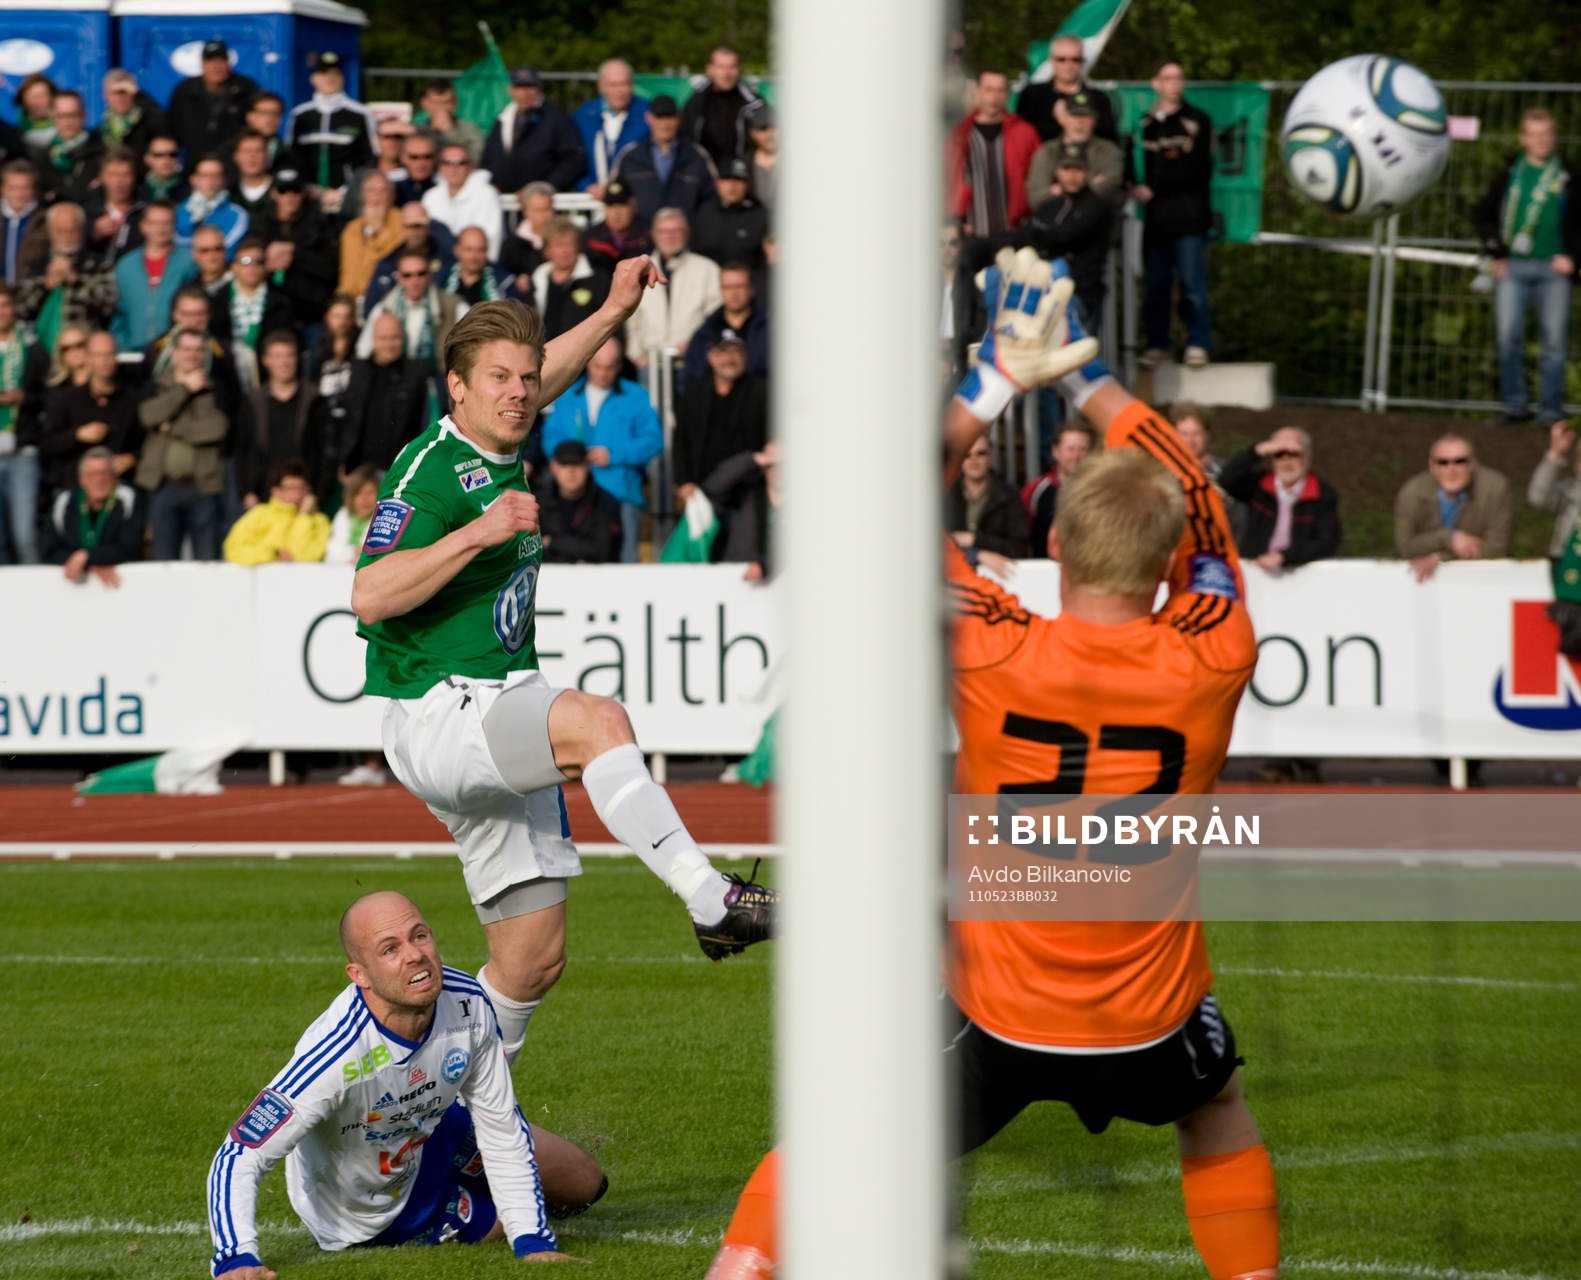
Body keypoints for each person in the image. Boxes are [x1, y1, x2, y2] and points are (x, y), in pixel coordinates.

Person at [710, 252, 1278, 1280]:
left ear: (1055, 543)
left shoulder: (997, 644)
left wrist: (1001, 377)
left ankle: (736, 1270)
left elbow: (896, 497)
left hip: (1000, 1003)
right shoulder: (1213, 650)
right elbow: (1200, 497)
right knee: (1217, 1104)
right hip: (1147, 1012)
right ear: (1160, 564)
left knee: (845, 1137)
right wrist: (1090, 376)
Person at [350, 286, 776, 1072]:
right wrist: (477, 534)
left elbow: (549, 367)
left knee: (530, 963)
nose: (519, 393)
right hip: (442, 713)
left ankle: (456, 1124)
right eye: (500, 379)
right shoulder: (429, 473)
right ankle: (710, 899)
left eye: (526, 378)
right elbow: (369, 593)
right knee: (597, 722)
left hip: (497, 709)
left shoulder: (502, 421)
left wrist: (615, 308)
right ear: (457, 387)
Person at [204, 891, 605, 1275]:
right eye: (390, 949)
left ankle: (484, 1186)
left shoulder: (468, 1003)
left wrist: (533, 1241)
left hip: (431, 1128)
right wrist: (235, 1258)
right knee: (503, 1218)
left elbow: (500, 1125)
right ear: (358, 975)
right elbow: (239, 1154)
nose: (415, 955)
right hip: (375, 1206)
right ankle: (462, 1203)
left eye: (419, 935)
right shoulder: (335, 1055)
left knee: (584, 1183)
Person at [1472, 107, 1579, 427]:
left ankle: (1550, 411)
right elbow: (1482, 214)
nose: (1540, 141)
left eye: (1546, 134)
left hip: (1554, 269)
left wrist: (1574, 257)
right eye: (1533, 134)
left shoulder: (1569, 175)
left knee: (1554, 343)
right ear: (1522, 138)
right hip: (1513, 268)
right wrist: (1496, 252)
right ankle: (1514, 405)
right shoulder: (1509, 174)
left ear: (1554, 138)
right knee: (1508, 338)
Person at [542, 335, 663, 563]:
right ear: (588, 362)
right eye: (598, 366)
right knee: (569, 555)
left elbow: (653, 441)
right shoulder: (568, 395)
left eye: (610, 367)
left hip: (620, 491)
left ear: (619, 364)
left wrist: (614, 454)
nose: (603, 373)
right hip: (574, 495)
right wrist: (572, 456)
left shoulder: (635, 396)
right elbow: (550, 438)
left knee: (624, 559)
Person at [1135, 62, 1215, 369]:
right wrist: (1135, 185)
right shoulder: (1146, 122)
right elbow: (1140, 160)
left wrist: (1153, 186)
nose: (1173, 84)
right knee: (1156, 284)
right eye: (1167, 78)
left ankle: (1197, 341)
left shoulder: (1198, 120)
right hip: (1156, 221)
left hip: (1189, 217)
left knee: (1192, 283)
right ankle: (1158, 344)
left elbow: (1195, 169)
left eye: (1178, 78)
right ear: (1155, 83)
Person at [137, 326, 233, 560]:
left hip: (202, 486)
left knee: (206, 561)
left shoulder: (217, 387)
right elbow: (147, 416)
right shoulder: (155, 385)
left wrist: (172, 428)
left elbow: (217, 428)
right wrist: (184, 390)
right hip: (163, 486)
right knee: (164, 561)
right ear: (175, 352)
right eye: (186, 349)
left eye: (198, 350)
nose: (192, 354)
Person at [672, 329, 769, 517]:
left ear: (745, 356)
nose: (730, 359)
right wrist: (683, 481)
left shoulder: (761, 393)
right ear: (711, 357)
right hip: (702, 491)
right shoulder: (695, 393)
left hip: (746, 492)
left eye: (736, 352)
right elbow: (680, 440)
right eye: (723, 352)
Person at [1219, 425, 1340, 571]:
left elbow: (1326, 543)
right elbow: (1226, 480)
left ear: (1307, 457)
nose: (1286, 461)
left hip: (1300, 574)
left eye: (1294, 454)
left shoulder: (1322, 494)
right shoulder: (1260, 485)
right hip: (1255, 571)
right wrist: (1258, 450)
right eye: (1279, 454)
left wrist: (1284, 556)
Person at [359, 247, 466, 410]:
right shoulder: (384, 308)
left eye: (420, 273)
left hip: (436, 388)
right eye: (407, 275)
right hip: (395, 388)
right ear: (399, 278)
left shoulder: (453, 306)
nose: (414, 281)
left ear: (429, 274)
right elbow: (363, 351)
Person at [1395, 434, 1511, 582]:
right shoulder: (1412, 493)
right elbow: (1406, 547)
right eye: (1442, 462)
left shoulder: (1495, 488)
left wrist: (1440, 558)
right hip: (1425, 581)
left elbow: (1496, 548)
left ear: (1473, 464)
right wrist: (1448, 537)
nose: (1451, 469)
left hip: (1481, 580)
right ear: (1431, 466)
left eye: (1460, 461)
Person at [234, 330, 331, 506]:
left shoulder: (315, 401)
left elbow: (325, 453)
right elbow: (242, 451)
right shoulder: (253, 402)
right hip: (262, 498)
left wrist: (317, 494)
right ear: (266, 360)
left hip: (304, 500)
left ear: (297, 359)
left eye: (289, 356)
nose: (284, 362)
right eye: (277, 356)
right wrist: (246, 492)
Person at [40, 328, 140, 494]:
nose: (104, 361)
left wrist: (131, 458)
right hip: (74, 488)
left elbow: (143, 441)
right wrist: (77, 435)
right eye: (98, 355)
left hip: (118, 488)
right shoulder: (66, 399)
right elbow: (47, 442)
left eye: (109, 354)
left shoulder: (130, 399)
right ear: (88, 358)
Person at [947, 70, 1041, 236]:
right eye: (989, 89)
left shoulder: (1025, 133)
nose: (994, 97)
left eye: (1000, 90)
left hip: (1014, 230)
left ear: (1007, 94)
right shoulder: (959, 135)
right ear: (978, 92)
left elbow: (1037, 178)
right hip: (970, 231)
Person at [334, 311, 431, 473]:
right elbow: (348, 421)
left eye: (395, 338)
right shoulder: (358, 371)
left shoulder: (418, 373)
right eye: (383, 338)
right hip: (360, 470)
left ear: (403, 338)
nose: (389, 344)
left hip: (402, 469)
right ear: (373, 339)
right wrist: (344, 461)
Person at [626, 207, 720, 371]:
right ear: (653, 234)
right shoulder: (639, 269)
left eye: (676, 231)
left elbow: (715, 316)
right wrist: (636, 355)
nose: (669, 237)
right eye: (663, 231)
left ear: (687, 233)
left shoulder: (707, 269)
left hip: (692, 363)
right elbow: (632, 317)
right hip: (649, 364)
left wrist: (697, 346)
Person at [40, 445, 143, 582]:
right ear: (82, 479)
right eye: (93, 474)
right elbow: (48, 548)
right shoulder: (65, 501)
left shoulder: (128, 498)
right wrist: (89, 566)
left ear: (114, 476)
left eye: (105, 473)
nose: (99, 480)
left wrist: (87, 557)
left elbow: (130, 547)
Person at [256, 169, 339, 338]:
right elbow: (243, 259)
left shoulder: (319, 224)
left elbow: (332, 267)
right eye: (283, 191)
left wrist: (294, 254)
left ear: (304, 193)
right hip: (271, 313)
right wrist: (264, 262)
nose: (290, 196)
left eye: (295, 190)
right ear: (274, 194)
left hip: (312, 313)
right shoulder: (260, 225)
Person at [283, 50, 377, 200]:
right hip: (307, 196)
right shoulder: (299, 115)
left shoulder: (361, 114)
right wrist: (307, 187)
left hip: (347, 197)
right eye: (323, 73)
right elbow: (291, 157)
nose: (329, 78)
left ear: (342, 78)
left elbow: (370, 158)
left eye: (335, 73)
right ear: (313, 79)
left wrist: (345, 191)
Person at [0, 281, 48, 564]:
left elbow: (48, 394)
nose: (2, 312)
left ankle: (39, 603)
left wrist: (25, 398)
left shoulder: (32, 347)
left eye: (6, 305)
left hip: (22, 453)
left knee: (25, 535)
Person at [16, 202, 116, 338]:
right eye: (60, 231)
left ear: (82, 230)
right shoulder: (36, 265)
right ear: (50, 231)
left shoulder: (97, 264)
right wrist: (45, 286)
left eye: (72, 231)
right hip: (44, 345)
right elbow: (21, 309)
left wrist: (76, 282)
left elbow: (108, 306)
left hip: (84, 344)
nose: (67, 237)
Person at [482, 67, 586, 196]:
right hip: (505, 202)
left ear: (539, 88)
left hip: (541, 205)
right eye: (519, 87)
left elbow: (573, 159)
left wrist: (545, 187)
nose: (525, 93)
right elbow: (488, 160)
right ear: (510, 90)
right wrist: (491, 184)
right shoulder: (502, 120)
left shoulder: (556, 119)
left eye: (530, 87)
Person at [610, 95, 714, 224]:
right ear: (648, 118)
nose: (665, 124)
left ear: (678, 119)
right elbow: (616, 199)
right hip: (642, 238)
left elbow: (711, 199)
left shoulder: (697, 156)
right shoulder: (630, 157)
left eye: (669, 117)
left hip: (687, 238)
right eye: (659, 117)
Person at [165, 40, 259, 169]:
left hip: (235, 166)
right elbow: (171, 127)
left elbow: (256, 127)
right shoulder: (185, 90)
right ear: (203, 65)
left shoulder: (245, 89)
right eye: (210, 61)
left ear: (228, 64)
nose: (216, 67)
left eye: (220, 61)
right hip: (195, 166)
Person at [1026, 90, 1125, 213]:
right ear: (1063, 118)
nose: (1080, 121)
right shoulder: (1047, 151)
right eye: (1074, 115)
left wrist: (1060, 190)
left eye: (1086, 115)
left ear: (1095, 119)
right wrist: (1090, 184)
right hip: (1056, 227)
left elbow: (1112, 187)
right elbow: (1036, 198)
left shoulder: (1109, 150)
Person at [1014, 33, 1120, 144]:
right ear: (1051, 60)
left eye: (1075, 59)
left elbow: (1108, 138)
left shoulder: (1098, 99)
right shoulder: (1032, 95)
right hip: (1044, 159)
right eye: (1062, 59)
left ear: (1083, 61)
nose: (1069, 65)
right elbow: (1023, 136)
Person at [945, 435, 1029, 574]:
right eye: (967, 455)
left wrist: (974, 540)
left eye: (981, 454)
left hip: (1000, 580)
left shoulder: (1009, 496)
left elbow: (1019, 547)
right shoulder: (946, 495)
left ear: (991, 456)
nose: (974, 460)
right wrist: (977, 554)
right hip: (953, 580)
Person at [222, 458, 331, 564]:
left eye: (302, 487)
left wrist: (304, 516)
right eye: (291, 488)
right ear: (275, 491)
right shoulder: (259, 514)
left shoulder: (319, 521)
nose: (298, 493)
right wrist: (273, 554)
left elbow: (306, 556)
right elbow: (233, 549)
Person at [535, 439, 624, 564]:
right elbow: (529, 552)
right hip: (546, 578)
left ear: (588, 466)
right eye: (565, 464)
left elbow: (604, 550)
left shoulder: (606, 503)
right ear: (553, 466)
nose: (571, 471)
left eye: (577, 464)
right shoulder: (536, 503)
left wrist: (553, 542)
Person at [572, 58, 649, 199]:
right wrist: (586, 185)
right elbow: (572, 157)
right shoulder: (583, 116)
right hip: (593, 200)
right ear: (600, 86)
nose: (619, 91)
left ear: (632, 85)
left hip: (633, 198)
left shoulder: (647, 114)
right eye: (613, 85)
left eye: (624, 84)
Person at [683, 261, 768, 385]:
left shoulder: (769, 331)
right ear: (721, 290)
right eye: (728, 287)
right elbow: (693, 377)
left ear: (751, 289)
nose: (734, 293)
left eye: (739, 286)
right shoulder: (705, 333)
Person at [208, 238, 294, 356]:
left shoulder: (281, 301)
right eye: (245, 261)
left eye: (258, 261)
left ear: (265, 266)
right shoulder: (216, 300)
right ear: (233, 266)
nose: (252, 267)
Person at [1020, 419, 1093, 558]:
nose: (1076, 456)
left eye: (1082, 449)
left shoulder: (1100, 491)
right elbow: (1021, 535)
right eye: (1070, 449)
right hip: (1045, 571)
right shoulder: (1036, 490)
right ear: (1055, 452)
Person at [680, 45, 761, 168]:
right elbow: (685, 139)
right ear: (710, 70)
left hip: (741, 175)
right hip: (704, 174)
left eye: (732, 67)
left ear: (739, 70)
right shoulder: (695, 103)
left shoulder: (754, 103)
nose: (727, 73)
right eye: (721, 67)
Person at [423, 143, 504, 261]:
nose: (453, 169)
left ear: (470, 167)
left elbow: (492, 239)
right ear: (440, 167)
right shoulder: (430, 197)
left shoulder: (486, 194)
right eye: (447, 163)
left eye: (461, 163)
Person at [529, 220, 609, 341]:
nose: (564, 251)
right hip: (543, 349)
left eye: (568, 244)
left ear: (578, 247)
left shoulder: (598, 280)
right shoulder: (537, 279)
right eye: (558, 245)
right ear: (547, 250)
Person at [366, 202, 453, 311]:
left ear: (427, 227)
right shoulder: (388, 263)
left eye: (418, 226)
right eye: (409, 227)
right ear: (403, 228)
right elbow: (371, 305)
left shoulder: (446, 259)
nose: (414, 232)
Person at [336, 169, 404, 297]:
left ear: (391, 196)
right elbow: (347, 269)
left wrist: (379, 230)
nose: (377, 196)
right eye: (371, 190)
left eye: (382, 190)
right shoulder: (352, 229)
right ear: (363, 196)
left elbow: (387, 262)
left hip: (382, 295)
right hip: (349, 297)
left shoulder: (401, 222)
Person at [691, 158, 768, 269]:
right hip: (709, 280)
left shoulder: (759, 214)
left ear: (747, 184)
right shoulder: (702, 212)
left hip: (746, 281)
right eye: (727, 179)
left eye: (738, 180)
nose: (732, 185)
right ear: (718, 184)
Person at [32, 91, 104, 205]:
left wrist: (57, 194)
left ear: (84, 115)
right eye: (61, 116)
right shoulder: (42, 157)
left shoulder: (101, 152)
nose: (67, 122)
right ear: (53, 117)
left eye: (73, 115)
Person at [176, 154, 249, 254]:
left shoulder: (237, 214)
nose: (210, 181)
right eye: (204, 175)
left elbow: (226, 251)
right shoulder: (177, 211)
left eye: (216, 175)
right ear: (193, 179)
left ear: (224, 180)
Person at [84, 148, 145, 262]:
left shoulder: (145, 212)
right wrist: (93, 233)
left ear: (134, 178)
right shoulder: (87, 212)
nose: (119, 182)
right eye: (113, 175)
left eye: (126, 175)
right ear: (101, 177)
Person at [97, 69, 164, 171]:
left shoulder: (147, 122)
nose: (121, 98)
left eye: (125, 92)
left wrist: (139, 94)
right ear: (105, 96)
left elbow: (163, 124)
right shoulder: (102, 129)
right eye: (116, 93)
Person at [583, 180, 651, 271]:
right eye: (611, 205)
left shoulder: (649, 235)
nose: (616, 212)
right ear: (605, 209)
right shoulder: (591, 237)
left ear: (633, 207)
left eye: (622, 205)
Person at [414, 79, 484, 165]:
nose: (440, 108)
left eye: (446, 103)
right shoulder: (416, 130)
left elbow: (476, 159)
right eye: (435, 102)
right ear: (425, 103)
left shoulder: (470, 130)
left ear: (454, 103)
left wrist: (449, 132)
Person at [444, 225, 514, 306]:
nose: (474, 256)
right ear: (457, 250)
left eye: (480, 250)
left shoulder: (504, 283)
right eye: (469, 249)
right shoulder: (440, 280)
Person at [325, 462, 380, 565]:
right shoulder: (343, 515)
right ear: (351, 496)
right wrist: (353, 553)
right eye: (359, 493)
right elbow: (331, 553)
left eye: (370, 492)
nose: (365, 499)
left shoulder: (382, 518)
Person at [2, 159, 40, 285]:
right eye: (13, 188)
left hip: (30, 292)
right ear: (3, 189)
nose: (19, 194)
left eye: (25, 188)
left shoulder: (44, 221)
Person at [228, 129, 278, 224]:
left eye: (258, 150)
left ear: (267, 156)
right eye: (246, 151)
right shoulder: (228, 194)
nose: (252, 156)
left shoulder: (282, 190)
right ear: (236, 156)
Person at [741, 101, 778, 217]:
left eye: (775, 127)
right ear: (752, 134)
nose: (770, 134)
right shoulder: (743, 164)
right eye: (763, 129)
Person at [138, 134, 187, 204]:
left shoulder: (190, 191)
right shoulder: (134, 190)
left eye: (172, 154)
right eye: (159, 155)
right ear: (147, 158)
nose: (166, 160)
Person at [394, 130, 440, 205]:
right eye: (414, 157)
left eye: (427, 157)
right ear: (403, 158)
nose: (421, 163)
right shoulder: (391, 186)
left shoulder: (445, 185)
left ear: (435, 158)